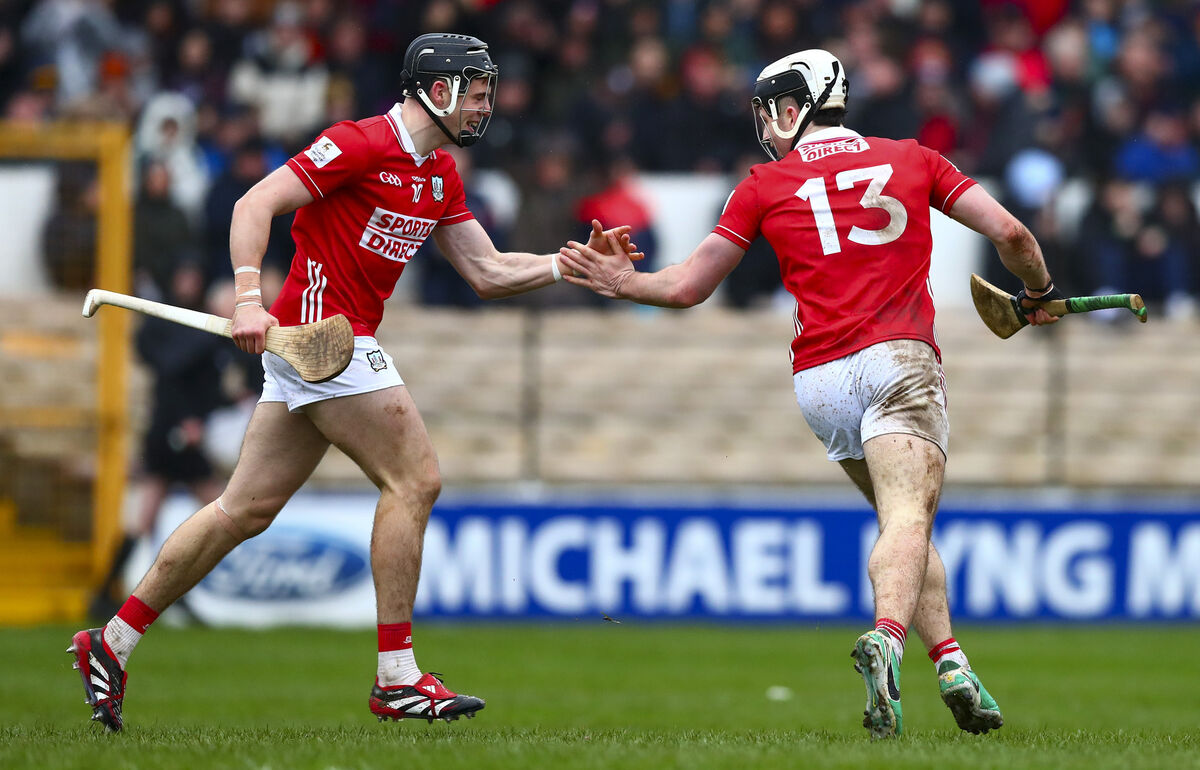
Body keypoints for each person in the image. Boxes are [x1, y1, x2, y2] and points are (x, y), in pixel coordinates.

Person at [68, 32, 640, 733]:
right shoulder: (359, 143)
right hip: (322, 340)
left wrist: (569, 264)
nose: (488, 104)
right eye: (479, 90)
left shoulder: (441, 175)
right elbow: (254, 204)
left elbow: (487, 273)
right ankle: (396, 678)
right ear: (438, 91)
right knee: (416, 479)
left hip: (329, 347)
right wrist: (248, 298)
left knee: (241, 511)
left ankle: (113, 641)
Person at [559, 48, 1060, 740]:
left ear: (796, 108)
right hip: (898, 360)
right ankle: (885, 637)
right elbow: (1012, 232)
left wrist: (621, 283)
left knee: (900, 523)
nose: (766, 127)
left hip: (820, 380)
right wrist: (1037, 294)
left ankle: (951, 664)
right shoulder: (915, 158)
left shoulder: (763, 184)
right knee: (911, 518)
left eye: (769, 112)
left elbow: (685, 287)